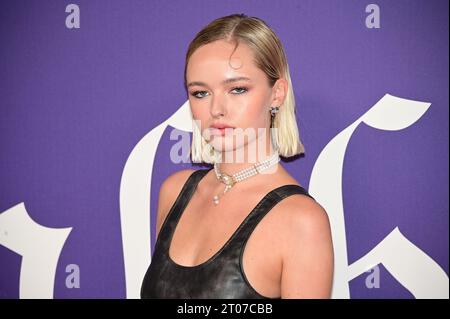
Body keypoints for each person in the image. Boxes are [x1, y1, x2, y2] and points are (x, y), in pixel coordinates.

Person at [141, 13, 334, 299]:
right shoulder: (175, 191)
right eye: (200, 93)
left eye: (237, 89)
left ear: (277, 94)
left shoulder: (301, 220)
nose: (216, 108)